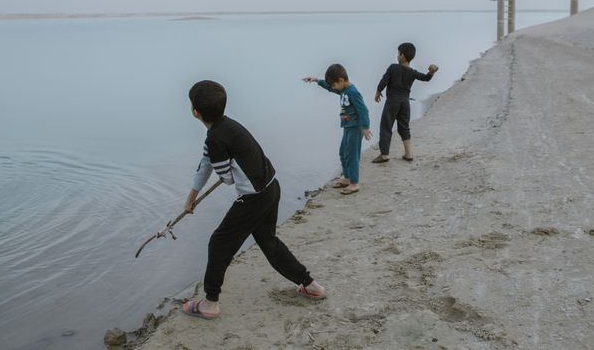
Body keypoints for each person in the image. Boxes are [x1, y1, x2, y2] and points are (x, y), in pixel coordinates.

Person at [182, 80, 326, 320]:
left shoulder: (216, 139)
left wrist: (226, 165)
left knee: (218, 244)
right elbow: (206, 163)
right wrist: (191, 199)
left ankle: (209, 303)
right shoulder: (227, 127)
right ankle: (311, 286)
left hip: (254, 198)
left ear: (195, 112)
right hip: (271, 186)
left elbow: (227, 179)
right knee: (268, 241)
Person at [302, 63, 372, 195]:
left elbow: (363, 110)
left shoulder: (353, 92)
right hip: (347, 126)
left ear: (340, 80)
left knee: (351, 155)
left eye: (334, 84)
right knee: (342, 152)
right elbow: (330, 88)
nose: (333, 88)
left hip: (355, 128)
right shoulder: (343, 89)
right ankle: (346, 178)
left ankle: (354, 183)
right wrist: (317, 80)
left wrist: (366, 127)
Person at [372, 42, 438, 163]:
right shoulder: (412, 72)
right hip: (405, 103)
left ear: (402, 56)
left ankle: (385, 154)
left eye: (398, 54)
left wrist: (378, 91)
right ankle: (409, 154)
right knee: (404, 127)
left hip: (392, 102)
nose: (397, 56)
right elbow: (425, 78)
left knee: (386, 126)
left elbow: (383, 81)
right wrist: (431, 72)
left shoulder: (393, 67)